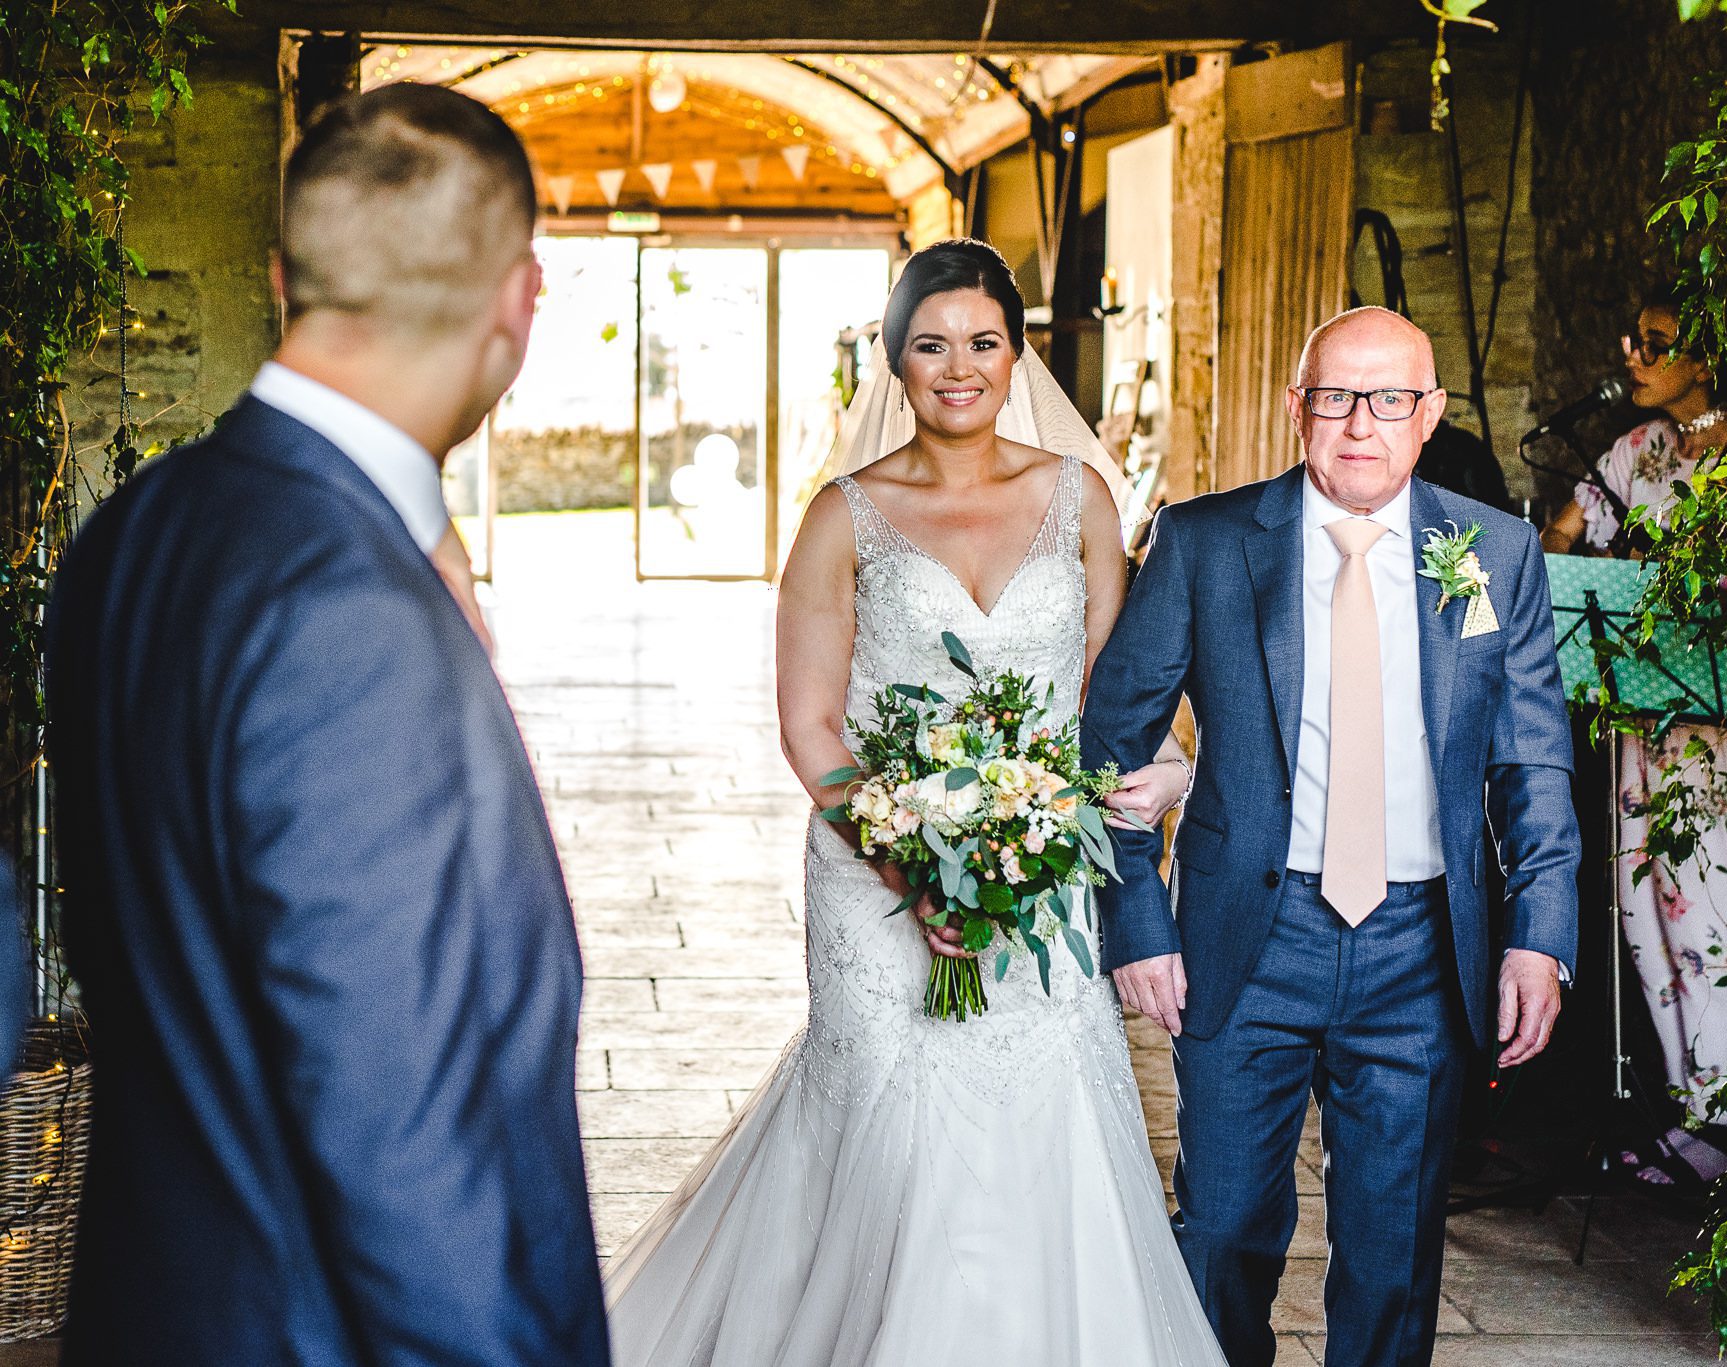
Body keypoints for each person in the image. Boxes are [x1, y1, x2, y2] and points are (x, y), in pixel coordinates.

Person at [46, 85, 608, 1364]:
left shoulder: (130, 532)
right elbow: (398, 1116)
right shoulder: (350, 604)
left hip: (168, 1301)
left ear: (284, 272)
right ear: (519, 299)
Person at [601, 239, 1225, 1366]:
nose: (958, 367)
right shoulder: (843, 516)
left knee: (1046, 1115)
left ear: (1015, 353)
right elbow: (811, 728)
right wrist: (911, 863)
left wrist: (1148, 775)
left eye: (982, 342)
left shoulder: (1078, 496)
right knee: (891, 1126)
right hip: (871, 875)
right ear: (894, 360)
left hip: (1039, 864)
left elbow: (1113, 695)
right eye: (930, 344)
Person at [1083, 306, 1580, 1367]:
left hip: (1417, 948)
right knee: (1218, 1232)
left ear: (1429, 411)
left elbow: (1529, 761)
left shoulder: (1489, 551)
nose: (1361, 422)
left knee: (1392, 1254)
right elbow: (1106, 744)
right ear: (1295, 408)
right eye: (1333, 395)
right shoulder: (1205, 540)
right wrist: (1133, 919)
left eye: (1389, 396)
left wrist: (1538, 933)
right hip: (1244, 939)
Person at [1540, 290, 1727, 1188]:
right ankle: (1685, 1114)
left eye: (1655, 342)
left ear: (1705, 359)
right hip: (1636, 713)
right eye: (1630, 337)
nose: (1632, 354)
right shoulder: (1635, 451)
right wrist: (1570, 545)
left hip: (1707, 723)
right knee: (1641, 910)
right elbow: (1562, 541)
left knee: (1704, 909)